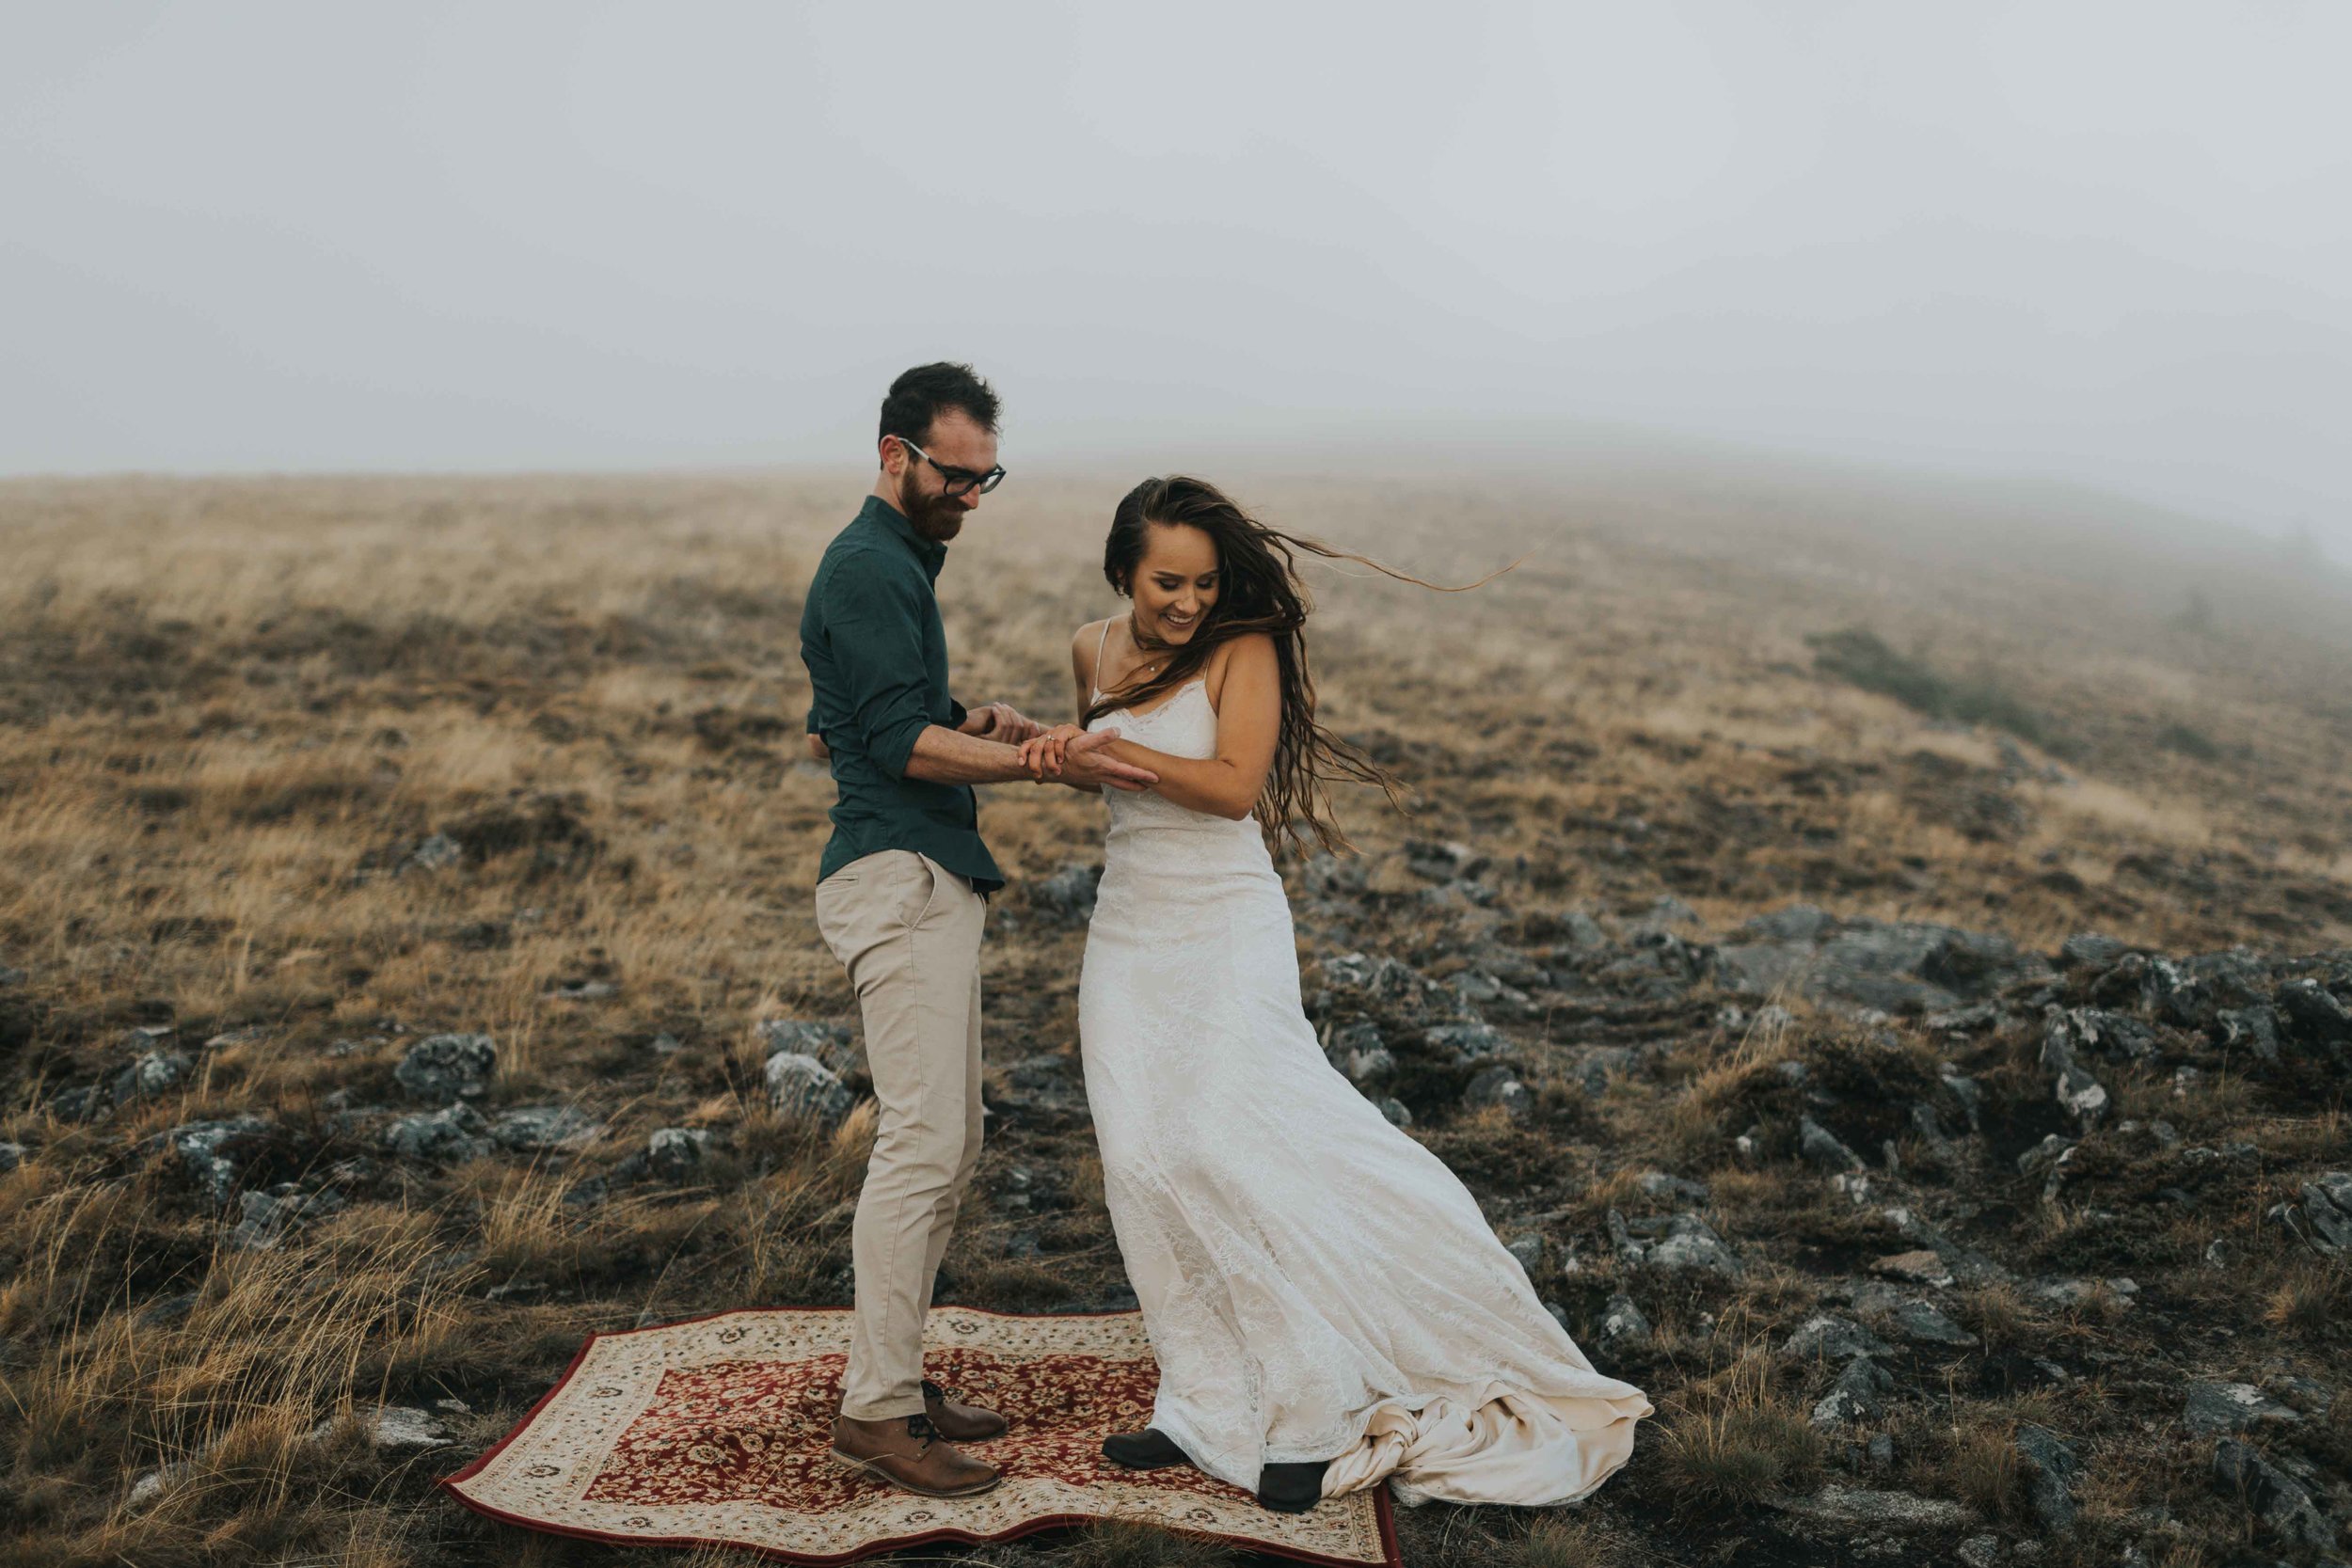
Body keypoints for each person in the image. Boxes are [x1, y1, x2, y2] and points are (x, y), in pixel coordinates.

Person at [1015, 476, 1653, 1513]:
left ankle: (1311, 1406)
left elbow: (1229, 785)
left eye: (1204, 580)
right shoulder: (1091, 646)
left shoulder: (1242, 645)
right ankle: (1202, 1398)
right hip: (1127, 926)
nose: (1186, 600)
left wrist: (1111, 747)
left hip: (1224, 923)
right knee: (1141, 1158)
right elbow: (1112, 774)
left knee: (1229, 1143)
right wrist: (1048, 745)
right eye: (1166, 580)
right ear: (1120, 569)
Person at [799, 363, 1159, 1499]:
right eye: (954, 474)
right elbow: (892, 748)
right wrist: (1035, 755)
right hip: (896, 876)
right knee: (920, 1146)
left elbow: (838, 726)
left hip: (924, 871)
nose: (971, 492)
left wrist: (968, 716)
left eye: (984, 473)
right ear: (893, 455)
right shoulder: (866, 567)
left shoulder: (896, 563)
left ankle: (894, 1375)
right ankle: (876, 1413)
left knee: (951, 1143)